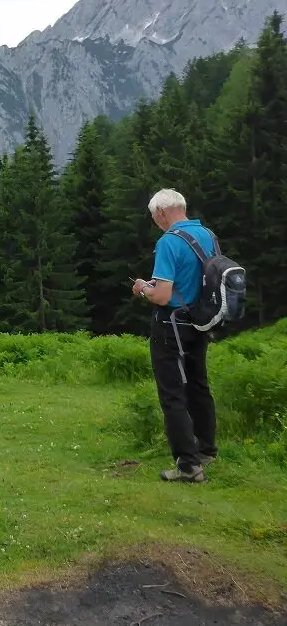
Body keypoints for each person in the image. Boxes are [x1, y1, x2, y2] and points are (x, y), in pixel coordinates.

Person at [132, 188, 218, 483]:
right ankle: (206, 449)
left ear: (161, 213)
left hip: (171, 325)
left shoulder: (169, 242)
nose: (156, 221)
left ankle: (188, 466)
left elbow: (162, 295)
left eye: (155, 216)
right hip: (200, 322)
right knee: (198, 384)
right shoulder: (206, 235)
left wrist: (143, 287)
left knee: (172, 394)